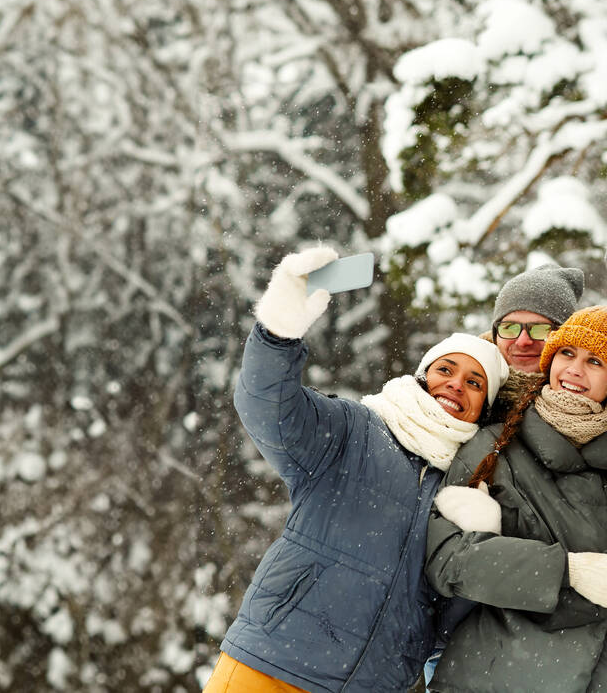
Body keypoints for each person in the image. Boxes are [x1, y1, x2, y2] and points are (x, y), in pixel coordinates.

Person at [204, 246, 508, 693]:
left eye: (474, 382)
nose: (455, 384)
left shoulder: (466, 489)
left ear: (484, 407)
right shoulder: (357, 429)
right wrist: (278, 332)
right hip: (273, 662)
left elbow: (448, 625)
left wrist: (480, 543)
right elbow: (268, 409)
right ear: (424, 375)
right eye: (446, 368)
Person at [425, 305, 607, 692]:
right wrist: (567, 572)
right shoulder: (493, 447)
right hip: (496, 674)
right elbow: (446, 558)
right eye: (567, 353)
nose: (575, 369)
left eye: (595, 360)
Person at [484, 263, 584, 421]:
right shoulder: (462, 390)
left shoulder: (595, 400)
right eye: (509, 327)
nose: (523, 341)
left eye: (540, 329)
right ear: (496, 335)